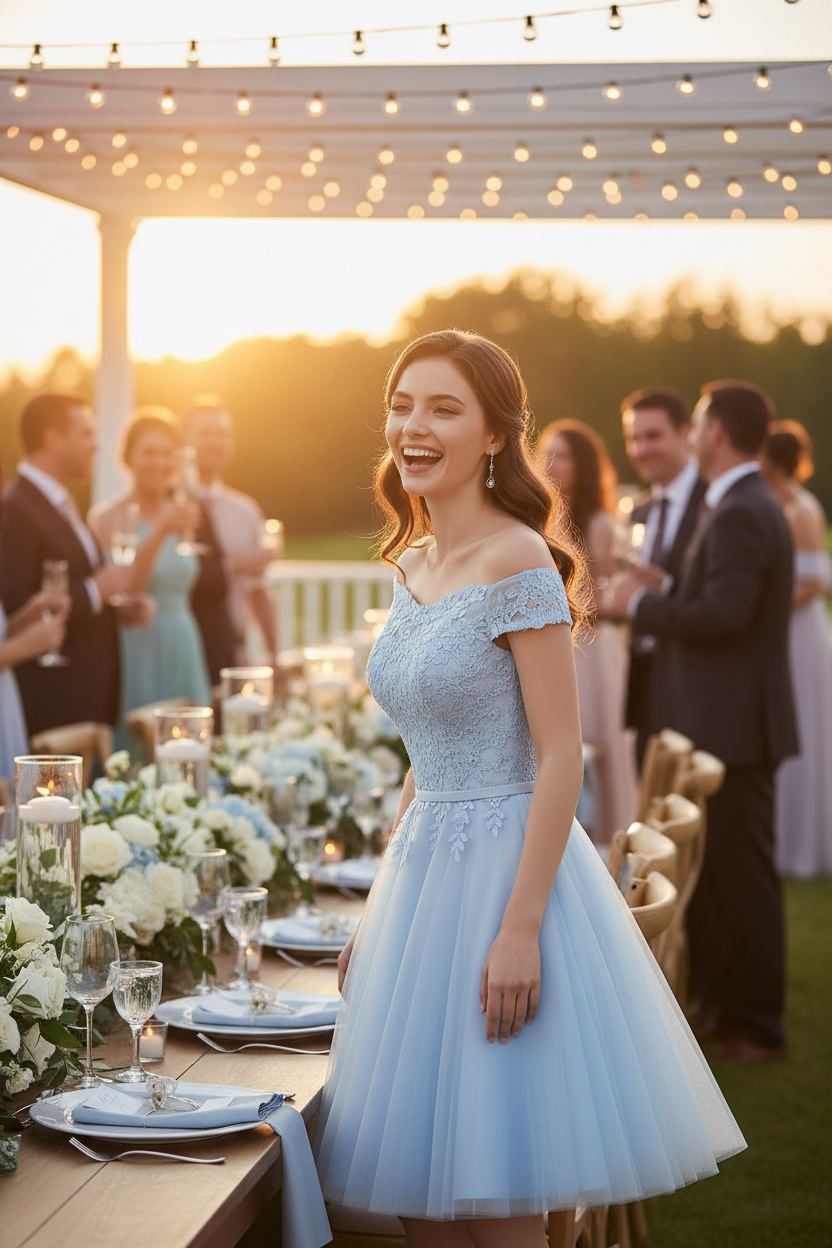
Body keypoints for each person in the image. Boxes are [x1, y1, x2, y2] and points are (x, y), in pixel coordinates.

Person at [314, 330, 745, 1245]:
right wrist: (375, 912)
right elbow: (421, 755)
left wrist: (518, 932)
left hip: (510, 882)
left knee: (500, 1205)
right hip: (423, 879)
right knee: (413, 1197)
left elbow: (562, 755)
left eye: (442, 408)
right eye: (402, 405)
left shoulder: (518, 558)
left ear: (496, 435)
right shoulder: (413, 562)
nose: (413, 427)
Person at [610, 380, 798, 1062]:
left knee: (743, 879)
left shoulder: (744, 508)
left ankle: (757, 1026)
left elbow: (726, 616)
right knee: (714, 878)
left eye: (696, 425)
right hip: (721, 721)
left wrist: (643, 606)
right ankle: (722, 1007)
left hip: (738, 727)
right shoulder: (738, 503)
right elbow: (716, 599)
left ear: (713, 432)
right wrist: (667, 589)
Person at [0, 394, 132, 736]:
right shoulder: (15, 508)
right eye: (85, 433)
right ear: (53, 439)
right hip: (53, 702)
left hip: (86, 697)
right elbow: (14, 603)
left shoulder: (61, 502)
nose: (96, 445)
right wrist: (94, 591)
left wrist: (115, 605)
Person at [539, 419, 637, 840]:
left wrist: (555, 604)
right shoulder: (544, 517)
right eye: (547, 453)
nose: (551, 464)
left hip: (594, 646)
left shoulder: (597, 522)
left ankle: (602, 834)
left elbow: (609, 596)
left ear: (584, 466)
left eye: (562, 456)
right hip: (562, 644)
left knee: (595, 740)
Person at [88, 408, 212, 737]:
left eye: (166, 453)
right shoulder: (107, 517)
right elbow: (126, 588)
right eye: (148, 453)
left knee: (188, 742)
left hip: (183, 639)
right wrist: (159, 531)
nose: (158, 462)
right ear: (128, 457)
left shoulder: (186, 512)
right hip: (135, 647)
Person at [760, 421, 832, 878]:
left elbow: (813, 582)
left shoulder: (802, 509)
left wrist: (762, 604)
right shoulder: (774, 503)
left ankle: (804, 848)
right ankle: (783, 841)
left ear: (773, 459)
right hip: (780, 631)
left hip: (800, 632)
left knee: (804, 726)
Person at [620, 388, 708, 765]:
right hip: (646, 693)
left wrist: (665, 591)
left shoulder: (715, 503)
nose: (641, 449)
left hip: (701, 694)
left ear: (685, 433)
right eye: (634, 439)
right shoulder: (639, 511)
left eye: (652, 436)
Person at [183, 395, 279, 670]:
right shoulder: (171, 508)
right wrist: (239, 563)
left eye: (222, 434)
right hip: (187, 649)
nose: (214, 442)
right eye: (204, 434)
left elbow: (259, 590)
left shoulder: (247, 510)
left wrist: (274, 654)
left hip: (235, 652)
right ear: (185, 439)